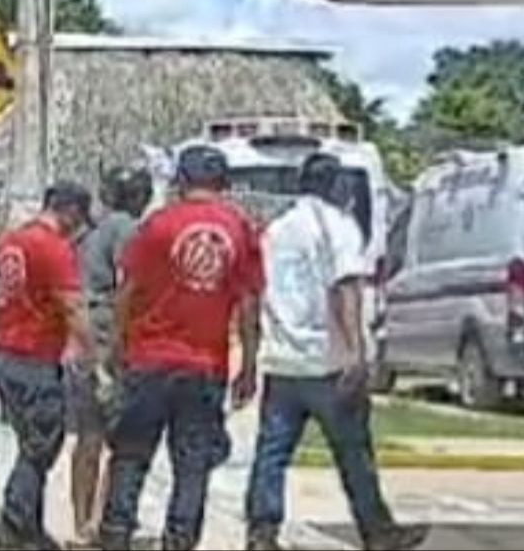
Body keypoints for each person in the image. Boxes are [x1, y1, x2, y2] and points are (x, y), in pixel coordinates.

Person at [245, 154, 430, 551]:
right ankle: (377, 531)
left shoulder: (277, 230)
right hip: (326, 360)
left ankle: (261, 532)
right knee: (353, 452)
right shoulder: (338, 226)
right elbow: (344, 289)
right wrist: (355, 352)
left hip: (282, 359)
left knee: (272, 452)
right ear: (335, 186)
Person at [98, 145, 264, 551]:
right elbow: (248, 304)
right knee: (192, 466)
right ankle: (180, 540)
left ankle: (116, 534)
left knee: (132, 455)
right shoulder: (240, 229)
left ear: (180, 182)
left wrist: (117, 345)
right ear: (223, 183)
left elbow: (127, 291)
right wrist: (249, 364)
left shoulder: (157, 225)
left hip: (149, 360)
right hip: (205, 365)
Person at [0, 182, 101, 550]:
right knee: (41, 447)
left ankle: (31, 528)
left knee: (29, 443)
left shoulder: (9, 243)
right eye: (79, 219)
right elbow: (73, 307)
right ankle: (15, 526)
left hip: (3, 355)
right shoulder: (54, 249)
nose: (79, 227)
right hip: (34, 357)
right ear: (68, 211)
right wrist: (89, 354)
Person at [66, 167, 153, 548]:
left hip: (82, 336)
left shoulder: (91, 232)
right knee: (121, 439)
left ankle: (82, 521)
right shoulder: (126, 229)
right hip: (110, 338)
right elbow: (128, 286)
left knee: (88, 436)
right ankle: (106, 522)